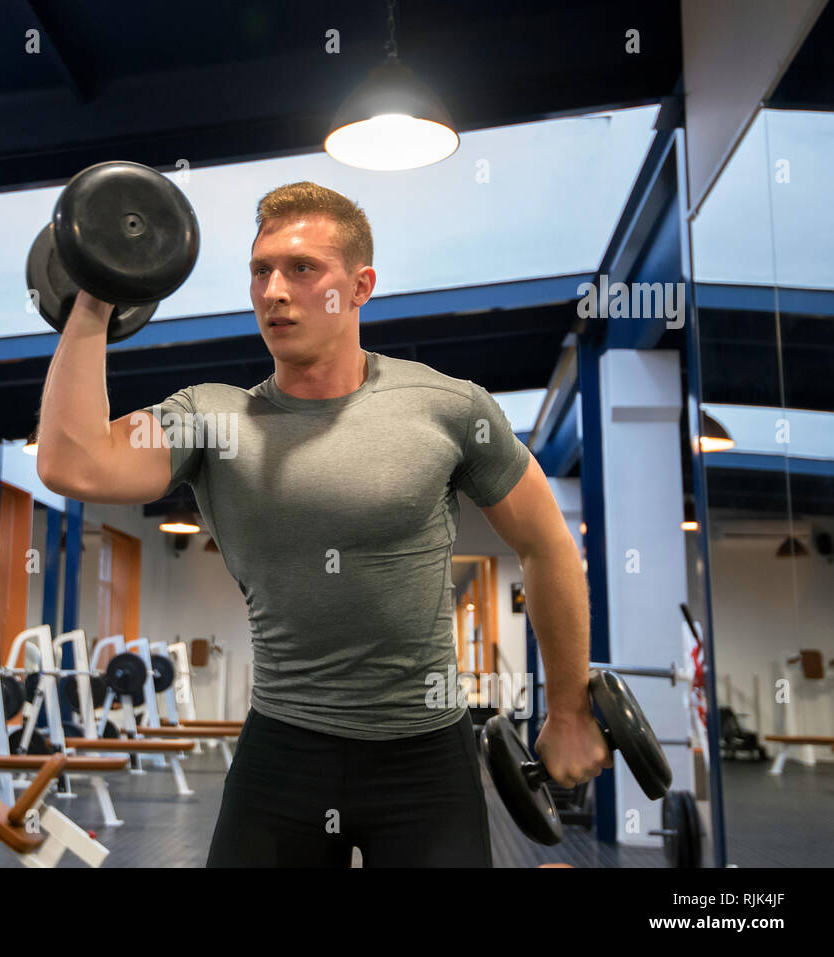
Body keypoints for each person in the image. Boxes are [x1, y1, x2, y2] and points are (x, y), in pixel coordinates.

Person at [36, 181, 610, 866]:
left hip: (426, 756)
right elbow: (73, 463)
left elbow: (546, 543)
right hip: (283, 749)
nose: (274, 289)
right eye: (260, 270)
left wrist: (570, 706)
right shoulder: (214, 418)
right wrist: (98, 289)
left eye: (302, 268)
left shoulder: (448, 408)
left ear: (360, 284)